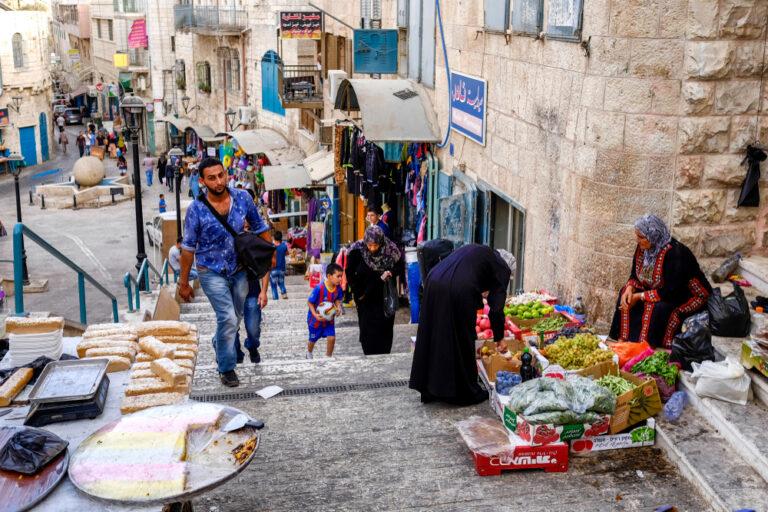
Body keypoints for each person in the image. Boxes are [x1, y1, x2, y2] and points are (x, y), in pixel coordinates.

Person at [178, 157, 272, 388]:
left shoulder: (243, 198)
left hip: (239, 269)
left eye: (221, 175)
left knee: (235, 318)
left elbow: (260, 227)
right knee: (228, 318)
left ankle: (219, 341)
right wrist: (183, 283)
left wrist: (270, 254)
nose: (219, 181)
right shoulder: (196, 210)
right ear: (202, 181)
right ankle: (227, 368)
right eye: (212, 178)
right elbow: (188, 249)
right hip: (210, 271)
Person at [409, 245, 515, 405]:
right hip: (457, 289)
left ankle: (429, 389)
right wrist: (499, 337)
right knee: (461, 338)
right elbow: (496, 309)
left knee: (434, 332)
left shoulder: (480, 251)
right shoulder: (502, 267)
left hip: (434, 280)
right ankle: (465, 392)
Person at [609, 215, 712, 348]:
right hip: (660, 289)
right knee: (625, 293)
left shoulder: (675, 253)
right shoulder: (643, 248)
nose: (637, 240)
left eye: (641, 237)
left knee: (655, 307)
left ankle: (644, 344)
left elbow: (671, 291)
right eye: (637, 236)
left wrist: (640, 296)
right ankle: (623, 339)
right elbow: (634, 275)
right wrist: (630, 289)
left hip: (684, 294)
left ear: (653, 236)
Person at [346, 226, 403, 355]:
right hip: (364, 297)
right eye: (369, 245)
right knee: (367, 329)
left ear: (381, 241)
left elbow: (399, 266)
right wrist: (358, 292)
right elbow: (349, 272)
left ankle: (384, 354)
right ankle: (369, 353)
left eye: (375, 245)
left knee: (385, 328)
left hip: (384, 295)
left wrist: (390, 272)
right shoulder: (356, 250)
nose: (372, 248)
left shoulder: (391, 249)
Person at [306, 263, 344, 359]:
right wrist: (315, 315)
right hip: (315, 321)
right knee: (313, 339)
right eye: (338, 276)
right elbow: (310, 302)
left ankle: (328, 357)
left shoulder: (338, 288)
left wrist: (338, 307)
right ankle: (309, 353)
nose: (340, 279)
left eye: (341, 276)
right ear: (329, 276)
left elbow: (337, 299)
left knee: (332, 337)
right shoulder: (319, 288)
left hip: (329, 319)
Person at [270, 231, 288, 300]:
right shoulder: (284, 246)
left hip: (273, 269)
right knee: (281, 282)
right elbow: (287, 253)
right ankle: (284, 294)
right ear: (281, 238)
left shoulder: (271, 246)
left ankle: (275, 298)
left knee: (274, 286)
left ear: (274, 237)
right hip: (281, 269)